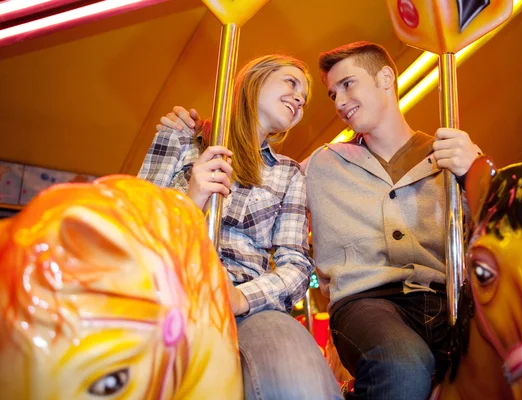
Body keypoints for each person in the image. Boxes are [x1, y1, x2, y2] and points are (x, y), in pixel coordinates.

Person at [158, 41, 481, 400]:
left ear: (386, 77)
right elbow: (133, 218)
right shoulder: (319, 163)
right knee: (401, 364)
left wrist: (480, 172)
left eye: (347, 85)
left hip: (442, 297)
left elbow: (498, 233)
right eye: (331, 94)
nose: (339, 102)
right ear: (254, 80)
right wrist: (192, 197)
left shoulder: (448, 156)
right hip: (365, 301)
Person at [138, 54, 342, 400]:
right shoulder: (181, 140)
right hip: (168, 290)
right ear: (254, 81)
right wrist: (192, 200)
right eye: (290, 83)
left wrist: (240, 298)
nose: (299, 99)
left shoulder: (288, 174)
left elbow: (295, 263)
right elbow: (135, 225)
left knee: (298, 374)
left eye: (304, 99)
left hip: (246, 304)